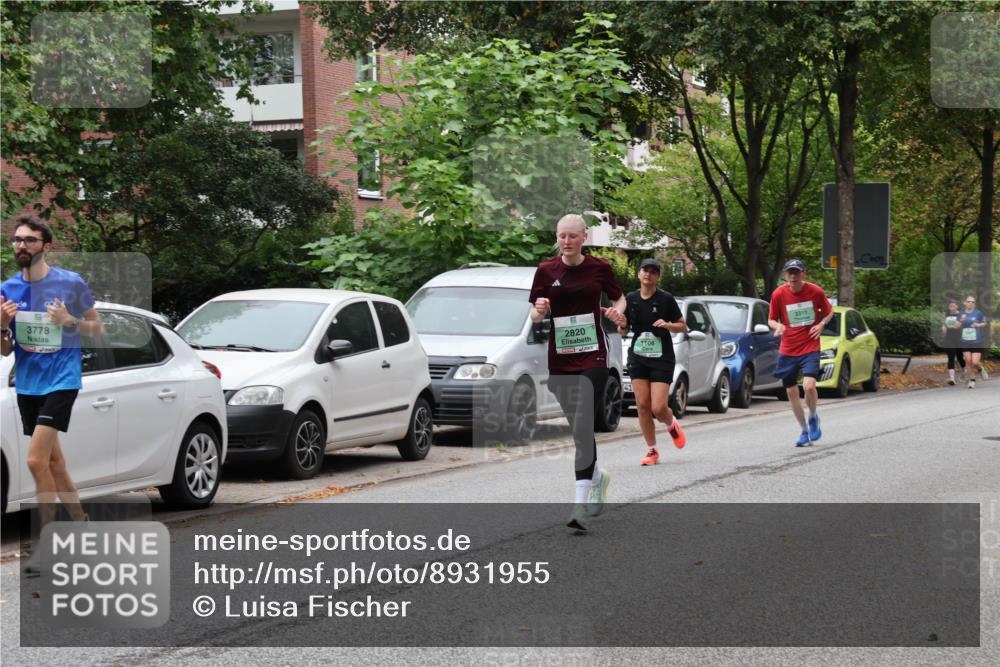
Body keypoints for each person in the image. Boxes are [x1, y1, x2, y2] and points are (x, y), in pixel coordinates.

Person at [1, 214, 103, 576]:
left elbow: (96, 328)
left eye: (29, 240)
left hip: (62, 380)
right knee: (55, 464)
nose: (21, 246)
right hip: (28, 383)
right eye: (16, 240)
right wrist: (1, 325)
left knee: (34, 462)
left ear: (46, 246)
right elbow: (4, 350)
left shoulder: (71, 283)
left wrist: (68, 321)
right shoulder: (7, 288)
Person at [530, 214, 626, 531]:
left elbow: (620, 298)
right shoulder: (546, 270)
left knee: (584, 424)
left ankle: (579, 506)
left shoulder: (599, 267)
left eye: (573, 236)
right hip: (560, 359)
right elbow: (533, 314)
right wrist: (539, 311)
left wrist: (617, 312)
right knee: (578, 429)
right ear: (556, 238)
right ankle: (599, 477)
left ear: (584, 236)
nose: (567, 241)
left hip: (593, 356)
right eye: (561, 236)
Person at [618, 258, 687, 466]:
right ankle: (652, 450)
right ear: (639, 274)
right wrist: (622, 325)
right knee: (642, 405)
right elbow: (624, 330)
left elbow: (682, 326)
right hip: (638, 356)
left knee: (658, 407)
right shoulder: (631, 299)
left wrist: (667, 325)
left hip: (661, 357)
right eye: (644, 270)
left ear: (658, 277)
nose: (648, 274)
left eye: (653, 272)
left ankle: (671, 423)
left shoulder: (665, 299)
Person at [767, 259, 834, 447]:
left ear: (803, 273)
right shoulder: (779, 294)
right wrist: (778, 325)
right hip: (788, 349)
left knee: (810, 386)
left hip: (810, 346)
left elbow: (829, 312)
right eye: (790, 272)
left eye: (796, 272)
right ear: (785, 275)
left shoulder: (815, 291)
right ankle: (804, 430)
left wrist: (821, 324)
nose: (793, 276)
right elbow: (771, 319)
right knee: (791, 391)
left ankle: (813, 417)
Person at [957, 294, 988, 389]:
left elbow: (985, 323)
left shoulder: (978, 313)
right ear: (965, 303)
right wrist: (961, 321)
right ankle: (972, 381)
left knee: (975, 362)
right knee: (968, 361)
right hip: (965, 340)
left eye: (973, 302)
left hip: (976, 341)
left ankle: (980, 368)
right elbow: (957, 326)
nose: (971, 303)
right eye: (969, 301)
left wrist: (978, 325)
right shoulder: (961, 313)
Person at [941, 299, 967, 385]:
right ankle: (952, 378)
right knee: (951, 357)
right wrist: (943, 327)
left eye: (953, 305)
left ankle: (964, 371)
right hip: (949, 338)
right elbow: (945, 323)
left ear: (957, 306)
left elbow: (958, 326)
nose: (951, 307)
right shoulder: (947, 314)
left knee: (960, 358)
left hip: (959, 338)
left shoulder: (961, 315)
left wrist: (951, 326)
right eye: (950, 306)